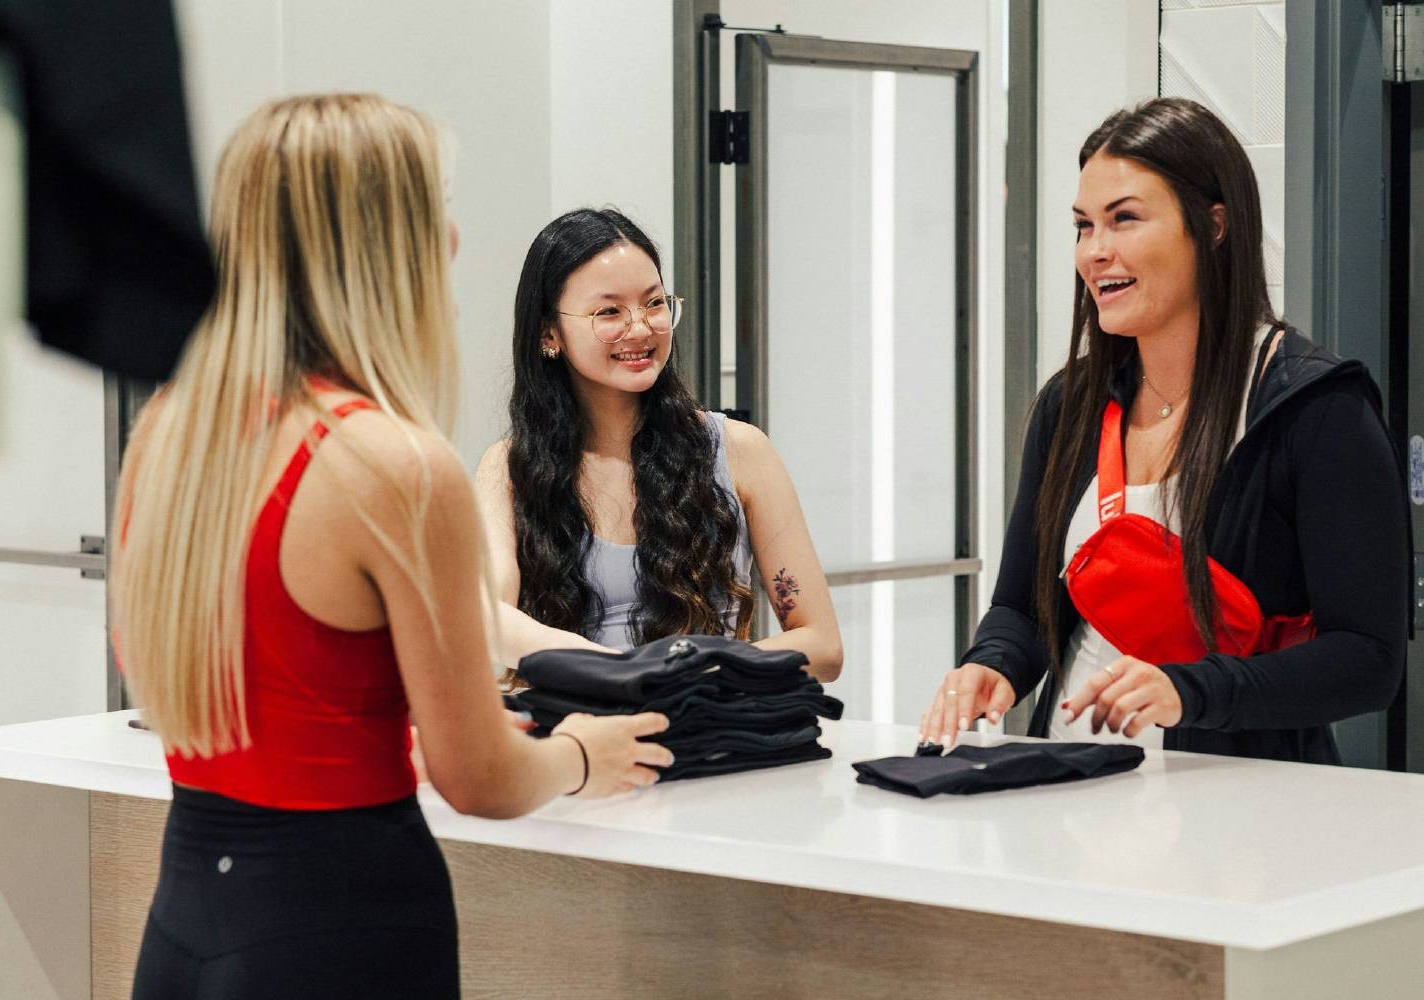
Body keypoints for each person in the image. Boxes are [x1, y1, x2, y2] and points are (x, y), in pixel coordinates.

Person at [112, 95, 670, 1000]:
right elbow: (481, 776)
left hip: (185, 922)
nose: (452, 239)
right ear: (379, 242)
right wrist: (582, 757)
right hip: (341, 929)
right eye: (433, 208)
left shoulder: (173, 431)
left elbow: (240, 685)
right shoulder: (392, 466)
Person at [920, 97, 1407, 763]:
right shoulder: (1070, 406)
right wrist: (993, 664)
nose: (1096, 251)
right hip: (1064, 795)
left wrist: (1189, 691)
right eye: (1084, 226)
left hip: (1238, 824)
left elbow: (1368, 660)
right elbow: (1024, 607)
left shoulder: (1316, 409)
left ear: (1211, 227)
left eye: (1124, 220)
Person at [475, 208, 843, 681]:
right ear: (550, 332)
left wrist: (685, 674)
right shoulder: (508, 466)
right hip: (575, 741)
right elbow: (493, 618)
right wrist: (625, 675)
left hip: (705, 732)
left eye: (653, 303)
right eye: (609, 311)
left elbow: (822, 645)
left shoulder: (738, 450)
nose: (641, 328)